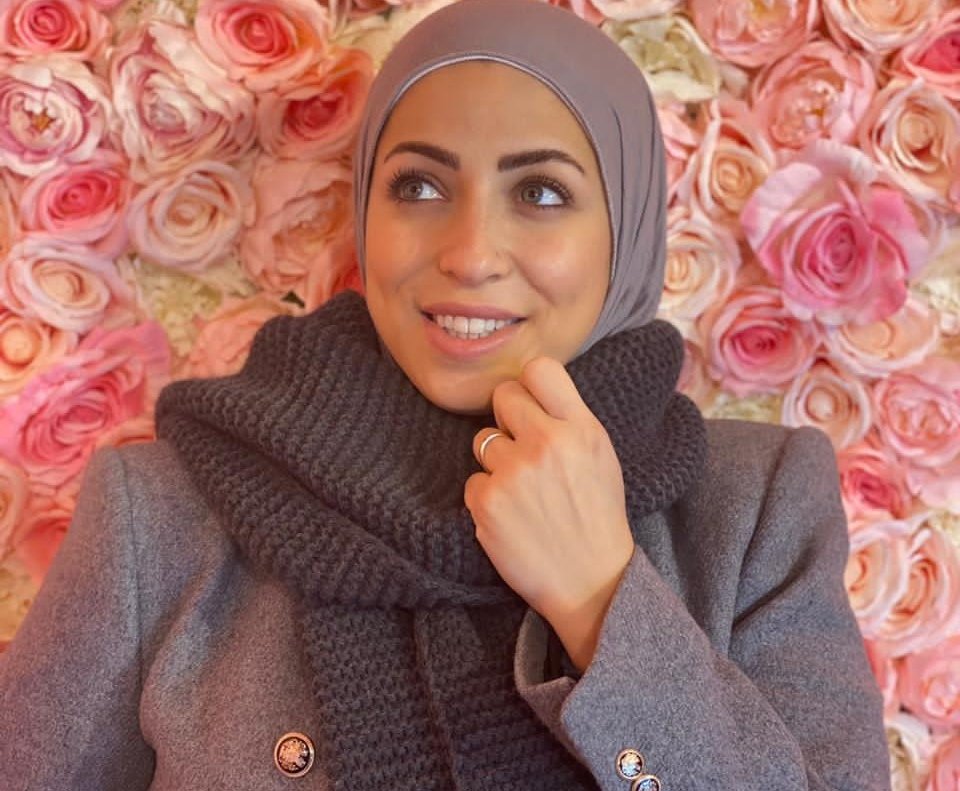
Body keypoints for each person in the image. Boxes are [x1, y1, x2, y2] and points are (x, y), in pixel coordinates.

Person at [0, 0, 890, 789]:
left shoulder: (755, 510)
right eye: (419, 185)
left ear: (626, 228)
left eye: (540, 191)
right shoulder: (160, 517)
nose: (468, 253)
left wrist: (602, 600)